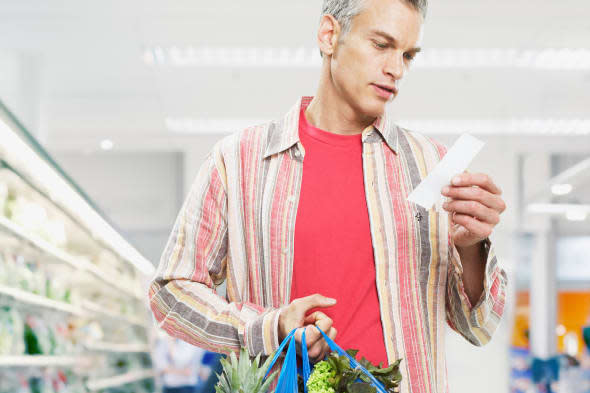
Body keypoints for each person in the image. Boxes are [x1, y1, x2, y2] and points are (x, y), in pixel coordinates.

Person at [148, 0, 508, 391]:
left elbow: (479, 328)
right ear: (329, 35)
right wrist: (270, 327)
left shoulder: (430, 165)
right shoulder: (237, 162)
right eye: (381, 45)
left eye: (407, 54)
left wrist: (471, 248)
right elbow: (170, 292)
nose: (396, 69)